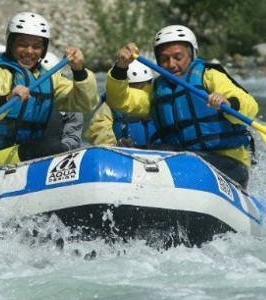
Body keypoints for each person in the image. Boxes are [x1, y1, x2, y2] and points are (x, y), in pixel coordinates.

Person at [106, 25, 257, 187]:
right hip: (182, 163)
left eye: (178, 57)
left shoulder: (209, 75)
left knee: (173, 156)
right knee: (160, 150)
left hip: (228, 164)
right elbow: (121, 101)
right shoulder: (157, 90)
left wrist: (227, 101)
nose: (171, 64)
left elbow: (249, 105)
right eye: (164, 59)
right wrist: (120, 68)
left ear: (192, 55)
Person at [0, 11, 98, 168]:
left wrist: (79, 71)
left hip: (24, 154)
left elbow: (85, 104)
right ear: (10, 44)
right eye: (22, 44)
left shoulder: (49, 77)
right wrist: (5, 98)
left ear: (44, 49)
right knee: (51, 147)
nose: (29, 51)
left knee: (54, 147)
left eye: (36, 46)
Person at [84, 60, 159, 148]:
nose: (138, 92)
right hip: (122, 153)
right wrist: (115, 144)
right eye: (134, 86)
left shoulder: (157, 100)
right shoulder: (109, 106)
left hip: (159, 152)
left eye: (145, 86)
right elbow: (100, 130)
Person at [39, 51, 84, 151]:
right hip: (26, 150)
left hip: (56, 152)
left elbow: (73, 136)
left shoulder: (70, 102)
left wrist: (63, 148)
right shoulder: (24, 97)